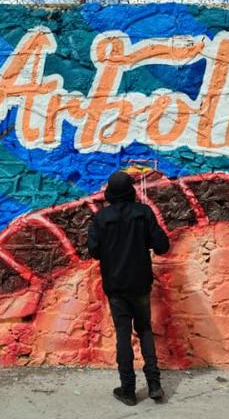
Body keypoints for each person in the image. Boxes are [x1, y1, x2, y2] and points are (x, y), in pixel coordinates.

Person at [87, 170, 170, 406]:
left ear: (110, 194)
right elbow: (162, 246)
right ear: (131, 192)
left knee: (123, 335)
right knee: (144, 330)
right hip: (140, 283)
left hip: (116, 286)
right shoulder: (143, 214)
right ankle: (154, 384)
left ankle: (128, 389)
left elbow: (93, 251)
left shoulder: (101, 219)